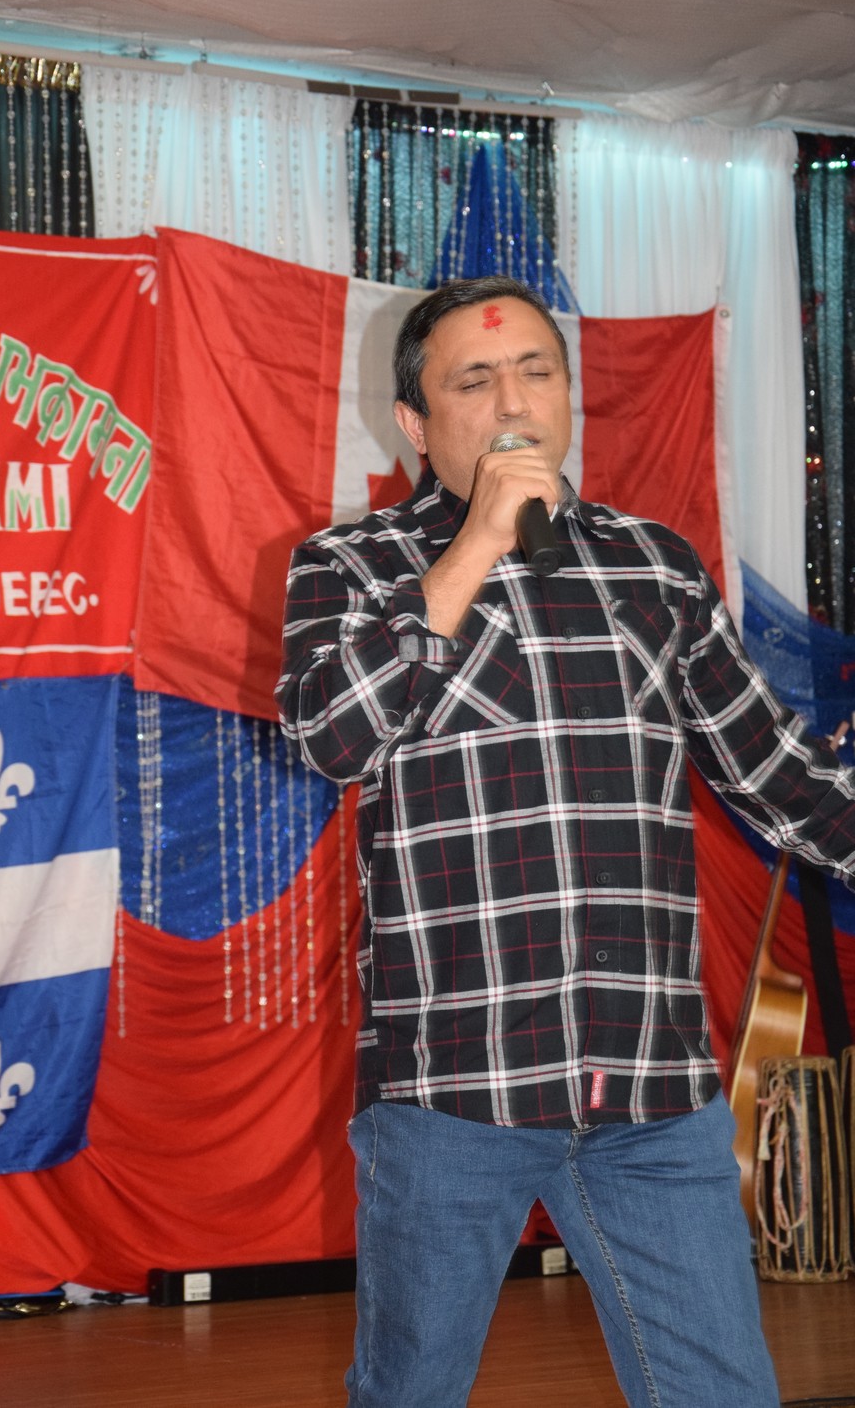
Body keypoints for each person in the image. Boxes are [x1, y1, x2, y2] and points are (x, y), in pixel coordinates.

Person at [275, 276, 855, 1408]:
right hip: (456, 1084)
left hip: (651, 1084)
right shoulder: (351, 567)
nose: (513, 401)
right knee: (409, 1394)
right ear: (414, 424)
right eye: (474, 380)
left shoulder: (655, 566)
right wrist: (474, 549)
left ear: (568, 396)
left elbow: (777, 774)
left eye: (537, 371)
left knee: (721, 1392)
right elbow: (330, 737)